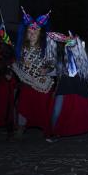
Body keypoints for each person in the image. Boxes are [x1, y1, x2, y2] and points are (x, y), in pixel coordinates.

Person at [44, 31, 88, 142]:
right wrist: (45, 72)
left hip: (80, 87)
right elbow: (56, 71)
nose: (71, 47)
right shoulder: (61, 59)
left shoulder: (84, 59)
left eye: (73, 44)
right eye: (68, 44)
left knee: (85, 110)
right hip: (64, 88)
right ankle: (54, 133)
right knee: (57, 110)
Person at [11, 8, 54, 139]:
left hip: (42, 83)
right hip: (26, 82)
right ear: (26, 31)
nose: (33, 32)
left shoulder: (46, 48)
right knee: (24, 105)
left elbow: (53, 64)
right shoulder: (21, 48)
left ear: (41, 32)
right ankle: (21, 128)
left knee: (42, 107)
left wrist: (47, 69)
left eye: (36, 30)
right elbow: (16, 63)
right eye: (30, 29)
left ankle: (45, 129)